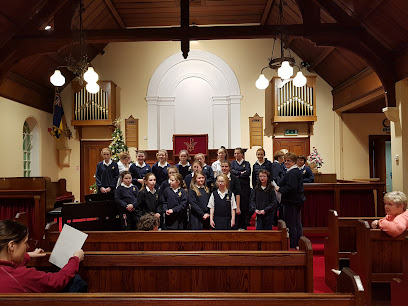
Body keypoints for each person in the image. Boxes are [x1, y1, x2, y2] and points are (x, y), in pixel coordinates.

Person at [0, 220, 85, 293]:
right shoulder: (22, 276)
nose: (28, 247)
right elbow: (57, 281)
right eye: (25, 242)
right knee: (76, 281)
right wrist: (75, 259)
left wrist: (28, 255)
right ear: (11, 246)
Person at [275, 153, 305, 249]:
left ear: (294, 162)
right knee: (296, 222)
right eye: (285, 160)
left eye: (289, 161)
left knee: (292, 224)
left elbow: (291, 188)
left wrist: (280, 189)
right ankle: (297, 243)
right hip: (294, 201)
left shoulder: (293, 172)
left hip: (291, 201)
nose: (286, 162)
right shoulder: (291, 171)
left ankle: (294, 243)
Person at [231, 148, 251, 230]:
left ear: (242, 154)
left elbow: (247, 173)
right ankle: (236, 225)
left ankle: (244, 225)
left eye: (238, 153)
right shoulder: (232, 163)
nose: (236, 155)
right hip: (236, 188)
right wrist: (240, 173)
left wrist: (238, 173)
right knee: (236, 206)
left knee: (244, 206)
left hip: (245, 188)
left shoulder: (246, 163)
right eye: (235, 153)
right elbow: (232, 171)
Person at [219, 161, 241, 229]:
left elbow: (237, 193)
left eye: (226, 166)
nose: (224, 168)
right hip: (221, 207)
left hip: (231, 206)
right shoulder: (217, 179)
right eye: (222, 166)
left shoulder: (234, 179)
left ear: (229, 168)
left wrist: (237, 207)